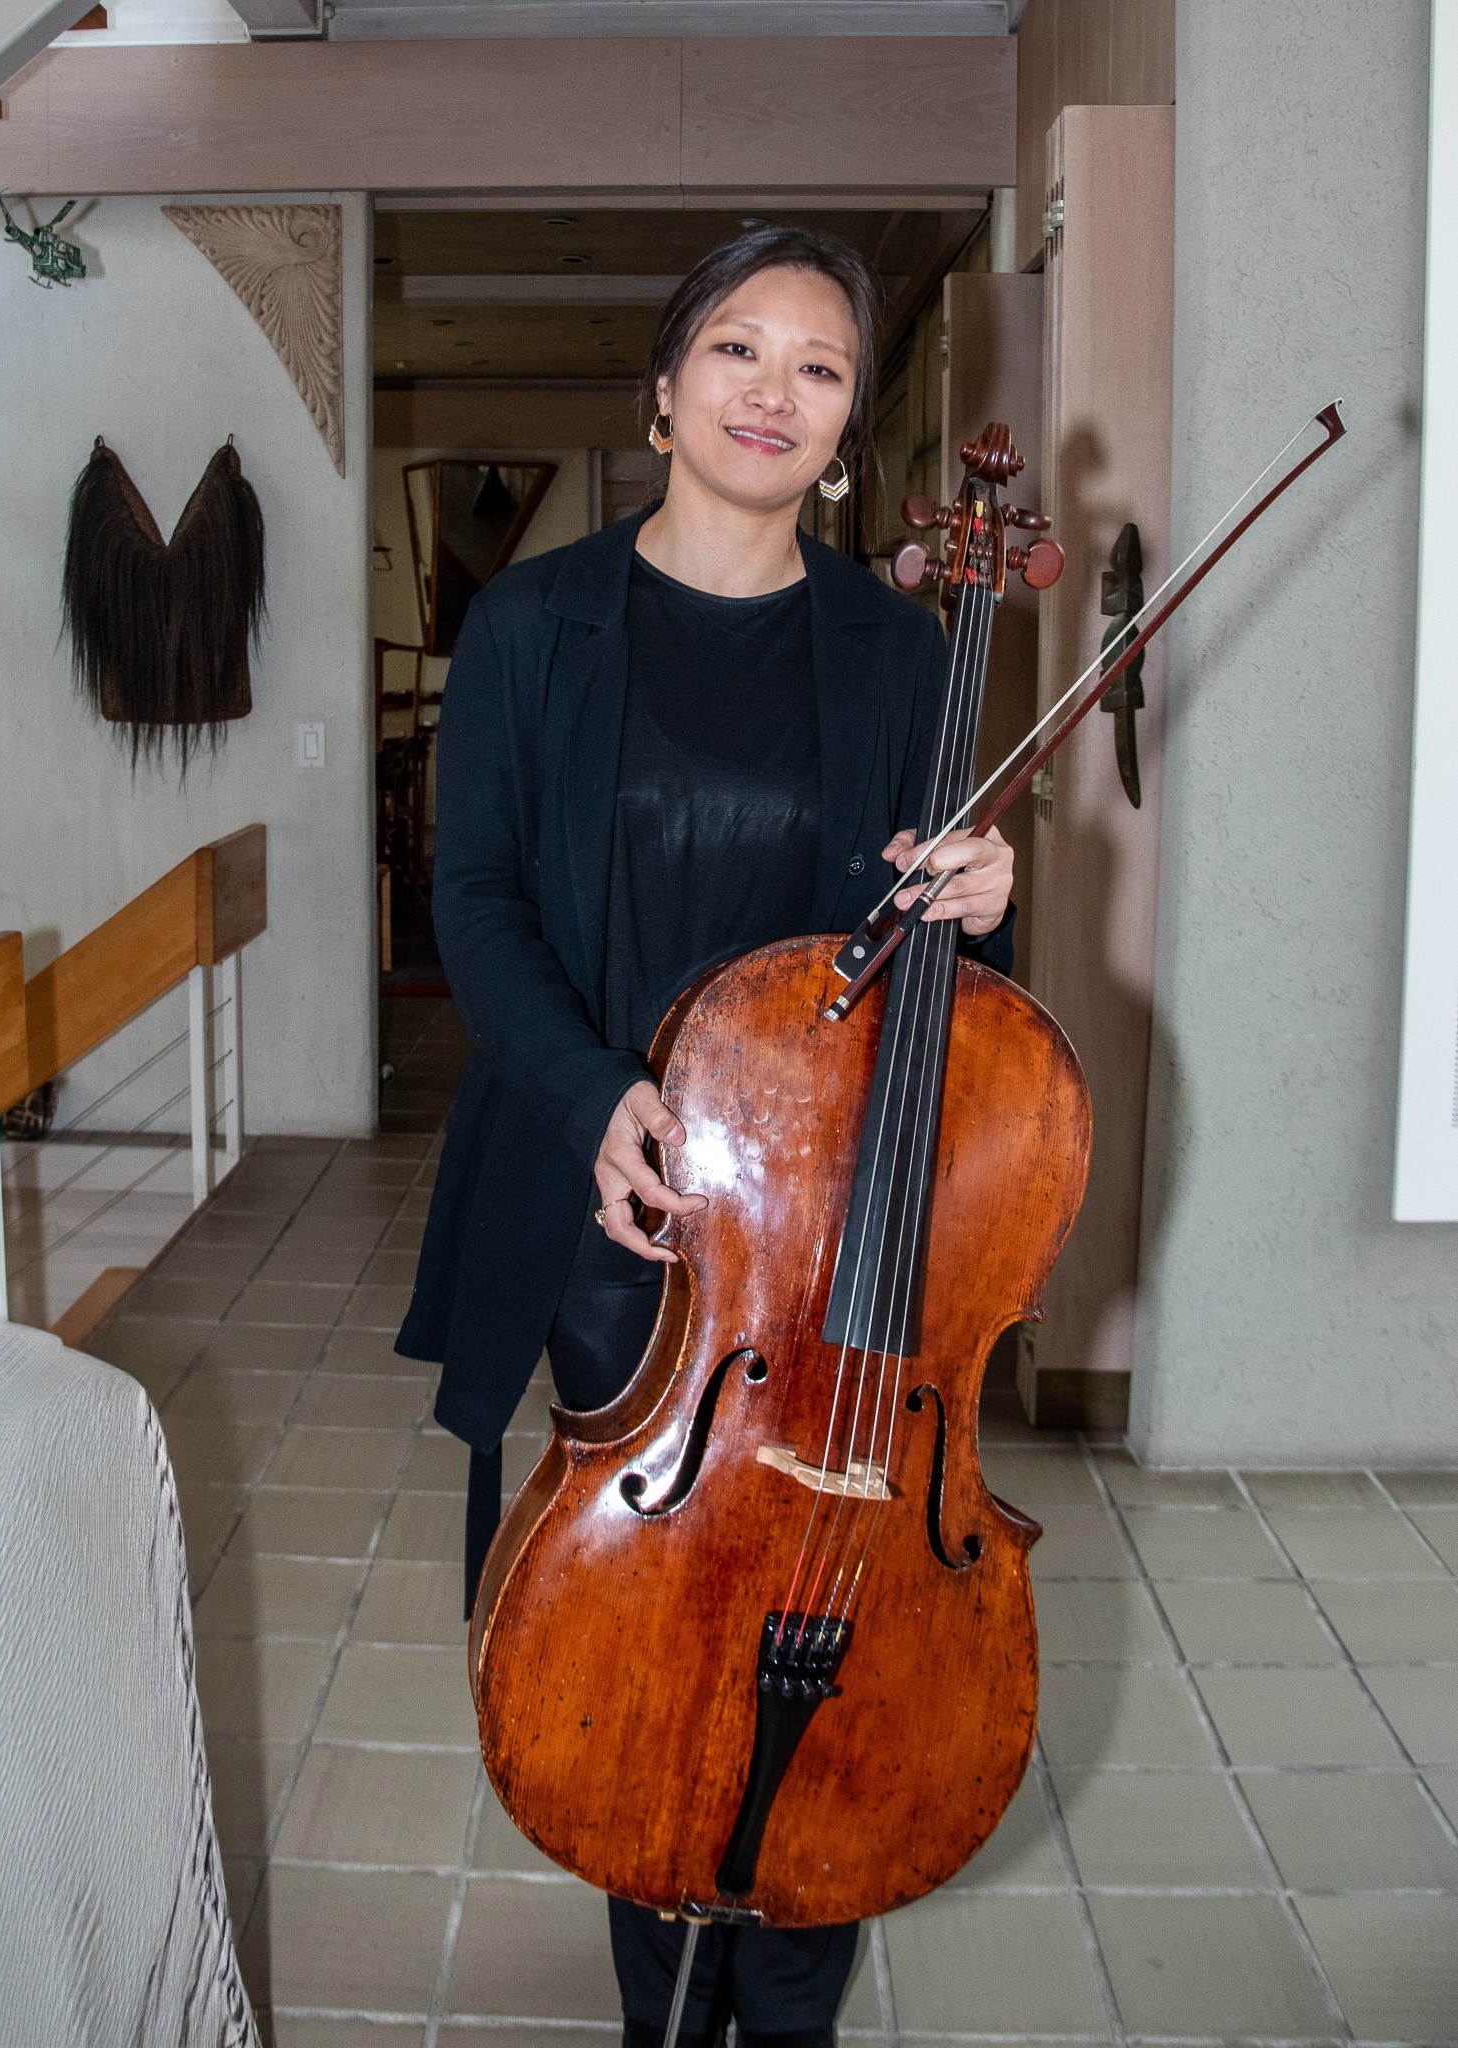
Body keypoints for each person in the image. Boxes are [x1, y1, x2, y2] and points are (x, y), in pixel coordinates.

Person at [395, 225, 1016, 2048]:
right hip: (629, 1211)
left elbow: (934, 989)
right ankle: (660, 1994)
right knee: (658, 1649)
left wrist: (979, 895)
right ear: (663, 393)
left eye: (817, 366)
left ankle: (796, 2003)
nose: (772, 389)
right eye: (737, 351)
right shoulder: (534, 625)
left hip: (839, 1239)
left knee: (832, 1659)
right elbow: (480, 907)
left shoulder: (896, 654)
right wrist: (595, 1097)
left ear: (845, 426)